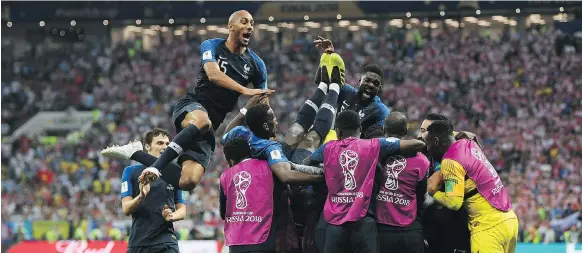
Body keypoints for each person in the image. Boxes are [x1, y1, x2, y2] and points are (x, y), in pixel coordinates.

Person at [103, 10, 274, 191]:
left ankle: (136, 152)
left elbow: (263, 103)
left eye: (252, 24)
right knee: (202, 121)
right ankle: (156, 167)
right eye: (244, 22)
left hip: (210, 126)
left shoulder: (257, 64)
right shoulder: (211, 45)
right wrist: (245, 90)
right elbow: (213, 74)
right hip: (191, 106)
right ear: (231, 26)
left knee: (187, 182)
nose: (249, 27)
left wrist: (269, 135)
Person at [303, 110, 426, 253]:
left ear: (337, 131)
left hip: (334, 223)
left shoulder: (327, 148)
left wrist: (324, 174)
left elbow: (305, 164)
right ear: (360, 129)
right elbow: (417, 144)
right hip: (363, 222)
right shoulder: (372, 145)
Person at [425, 120, 519, 253]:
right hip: (509, 219)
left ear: (435, 141)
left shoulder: (450, 161)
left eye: (428, 144)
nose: (428, 149)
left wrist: (433, 192)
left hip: (488, 228)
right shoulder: (469, 143)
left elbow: (454, 202)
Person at [301, 37, 389, 142]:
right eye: (367, 80)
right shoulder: (347, 92)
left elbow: (379, 143)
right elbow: (323, 81)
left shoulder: (381, 111)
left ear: (379, 88)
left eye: (375, 83)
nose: (370, 85)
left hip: (358, 152)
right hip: (335, 145)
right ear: (359, 81)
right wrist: (329, 57)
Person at [120, 128, 187, 253]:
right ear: (147, 146)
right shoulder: (131, 171)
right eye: (160, 143)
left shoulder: (175, 173)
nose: (165, 147)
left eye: (167, 144)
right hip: (138, 244)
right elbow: (126, 208)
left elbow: (182, 210)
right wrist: (141, 196)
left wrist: (171, 216)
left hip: (166, 243)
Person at [375, 112, 430, 253]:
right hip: (409, 228)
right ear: (405, 131)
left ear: (383, 129)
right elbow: (422, 194)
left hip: (381, 227)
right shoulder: (422, 160)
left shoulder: (374, 153)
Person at [417, 113, 471, 253]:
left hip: (453, 230)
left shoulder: (455, 155)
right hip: (429, 232)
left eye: (424, 131)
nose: (419, 135)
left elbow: (434, 185)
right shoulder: (422, 153)